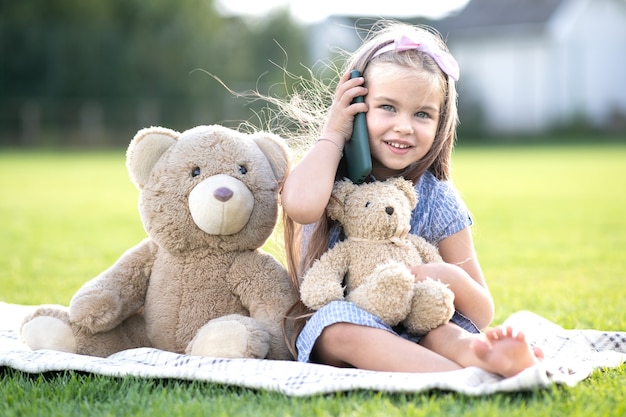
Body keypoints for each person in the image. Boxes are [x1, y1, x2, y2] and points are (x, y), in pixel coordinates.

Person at [279, 20, 543, 377]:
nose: (404, 126)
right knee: (340, 329)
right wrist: (334, 132)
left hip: (418, 321)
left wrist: (437, 273)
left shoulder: (437, 198)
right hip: (344, 324)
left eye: (422, 114)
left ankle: (484, 357)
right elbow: (299, 206)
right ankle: (459, 378)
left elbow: (481, 311)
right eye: (388, 107)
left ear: (441, 122)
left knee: (443, 332)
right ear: (356, 106)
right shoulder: (330, 178)